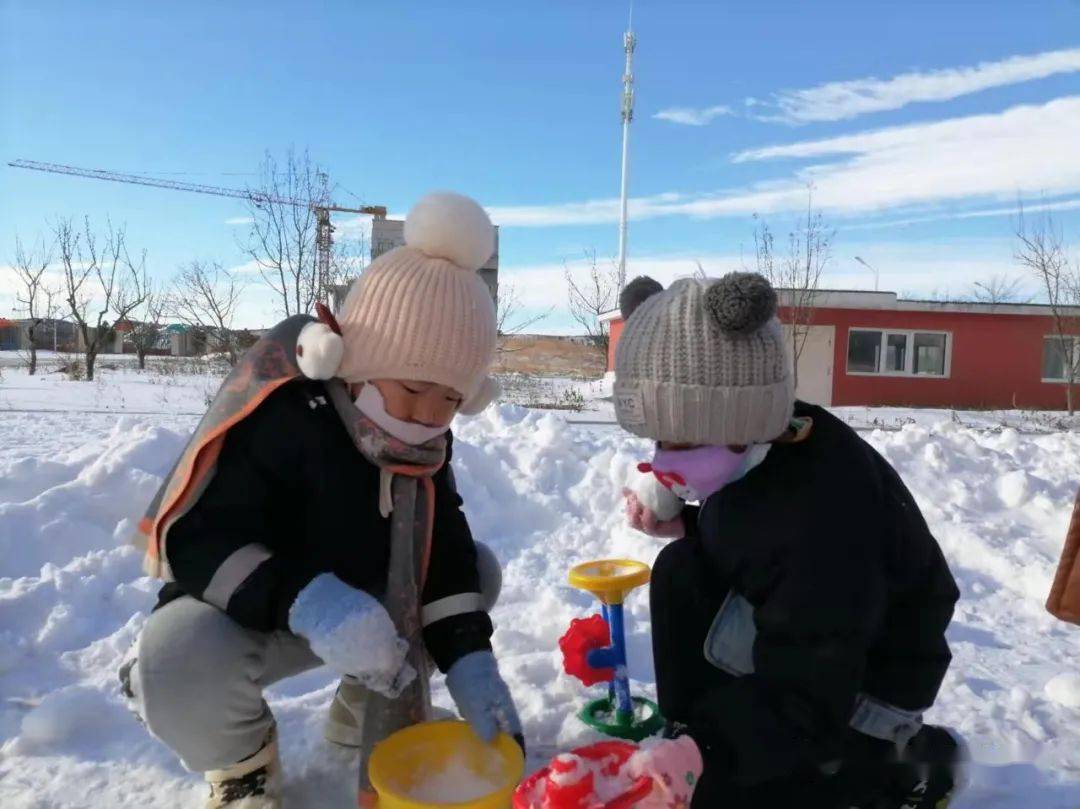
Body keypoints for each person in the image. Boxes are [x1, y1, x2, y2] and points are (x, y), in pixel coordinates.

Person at [120, 192, 520, 808]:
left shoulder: (423, 443)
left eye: (450, 400)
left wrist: (470, 659)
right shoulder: (283, 418)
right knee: (175, 655)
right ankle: (242, 765)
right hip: (260, 617)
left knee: (477, 574)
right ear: (355, 360)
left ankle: (363, 702)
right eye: (414, 388)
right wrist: (311, 604)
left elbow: (444, 548)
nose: (427, 416)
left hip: (369, 620)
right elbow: (199, 537)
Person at [615, 272, 964, 808]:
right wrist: (687, 525)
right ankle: (696, 741)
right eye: (659, 439)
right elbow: (753, 533)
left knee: (771, 787)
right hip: (815, 631)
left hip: (867, 675)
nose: (664, 459)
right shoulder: (761, 445)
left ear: (738, 414)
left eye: (682, 438)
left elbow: (809, 688)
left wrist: (711, 751)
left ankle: (905, 767)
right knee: (681, 568)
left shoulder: (822, 515)